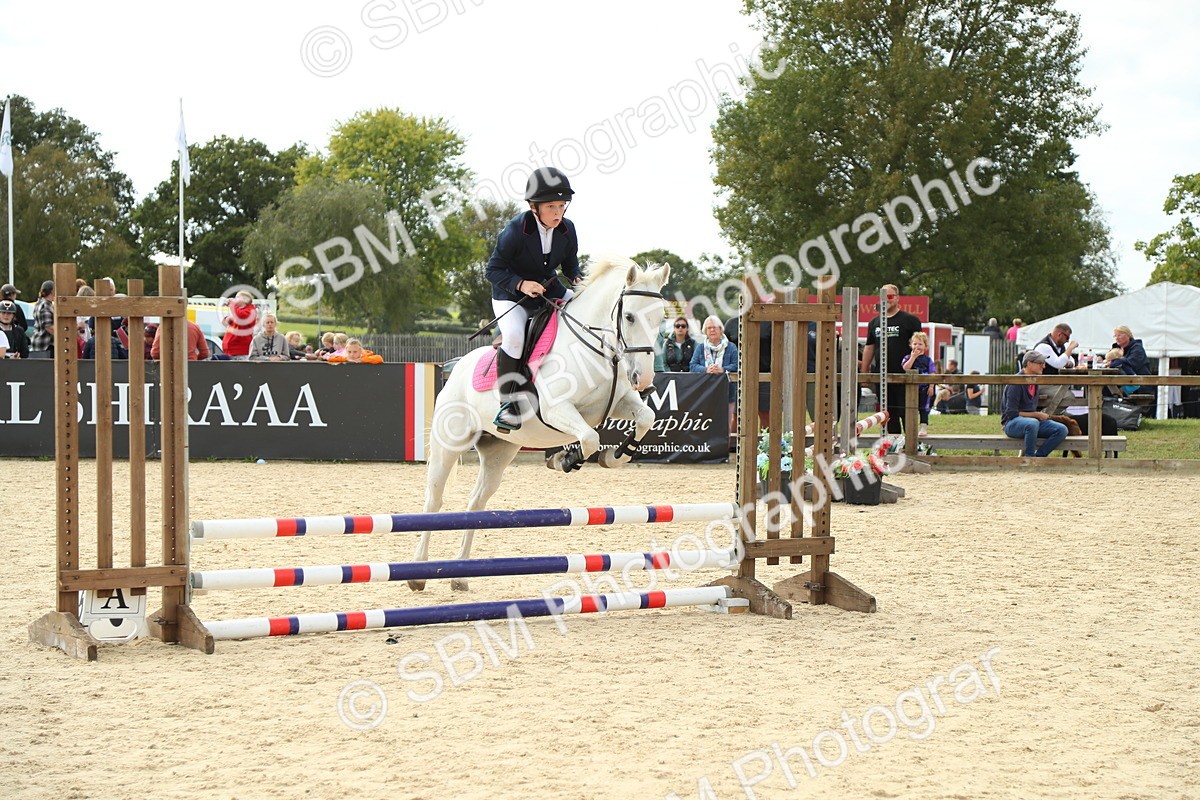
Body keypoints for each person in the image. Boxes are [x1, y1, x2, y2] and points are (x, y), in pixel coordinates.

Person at [484, 167, 582, 431]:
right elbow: (492, 270)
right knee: (515, 336)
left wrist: (579, 282)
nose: (557, 212)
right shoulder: (516, 230)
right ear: (533, 207)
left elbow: (571, 267)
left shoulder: (567, 229)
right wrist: (521, 284)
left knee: (582, 312)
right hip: (509, 295)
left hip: (548, 288)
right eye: (551, 206)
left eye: (562, 205)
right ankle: (508, 404)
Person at [860, 283, 923, 435]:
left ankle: (911, 445)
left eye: (889, 296)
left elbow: (920, 345)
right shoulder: (874, 323)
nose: (886, 300)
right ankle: (894, 446)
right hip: (882, 376)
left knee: (907, 411)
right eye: (883, 297)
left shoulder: (910, 320)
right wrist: (864, 372)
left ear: (897, 298)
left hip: (905, 375)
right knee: (888, 414)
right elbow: (869, 347)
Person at [1000, 350, 1068, 457]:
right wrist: (1037, 415)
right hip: (1011, 424)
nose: (1044, 366)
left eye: (1043, 363)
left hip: (1031, 423)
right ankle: (1029, 458)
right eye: (1040, 363)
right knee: (1032, 423)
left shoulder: (1034, 382)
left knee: (1062, 429)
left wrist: (1037, 416)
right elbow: (1011, 413)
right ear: (1029, 364)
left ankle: (1039, 457)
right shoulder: (1016, 383)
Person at [691, 314, 739, 432]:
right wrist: (706, 370)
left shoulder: (731, 347)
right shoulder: (700, 347)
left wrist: (723, 369)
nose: (712, 330)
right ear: (705, 331)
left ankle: (724, 449)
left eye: (715, 327)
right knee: (706, 423)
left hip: (727, 392)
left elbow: (737, 364)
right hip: (705, 392)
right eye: (709, 328)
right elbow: (693, 365)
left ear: (721, 329)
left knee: (725, 424)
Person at [1028, 322, 1078, 414]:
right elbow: (1058, 363)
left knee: (1066, 395)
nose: (1067, 341)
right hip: (1040, 384)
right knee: (1068, 397)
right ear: (1059, 334)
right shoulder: (1043, 346)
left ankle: (1048, 415)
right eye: (1067, 337)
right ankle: (1044, 415)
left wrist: (1070, 362)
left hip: (1051, 383)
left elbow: (1070, 359)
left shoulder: (1059, 347)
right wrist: (1070, 348)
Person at [900, 331, 936, 436]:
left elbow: (932, 373)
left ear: (925, 346)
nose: (917, 346)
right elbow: (905, 367)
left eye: (920, 344)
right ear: (911, 345)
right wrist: (913, 357)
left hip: (924, 388)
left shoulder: (928, 360)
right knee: (911, 408)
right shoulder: (908, 357)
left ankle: (923, 427)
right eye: (915, 344)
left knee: (924, 408)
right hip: (911, 389)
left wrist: (931, 386)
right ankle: (911, 428)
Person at [221, 291, 258, 360]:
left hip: (240, 352)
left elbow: (241, 316)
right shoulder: (238, 310)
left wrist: (232, 305)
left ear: (245, 300)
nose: (235, 299)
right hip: (230, 351)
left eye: (237, 297)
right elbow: (225, 323)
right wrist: (228, 319)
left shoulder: (250, 310)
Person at [29, 280, 55, 359]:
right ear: (52, 291)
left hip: (39, 343)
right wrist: (62, 335)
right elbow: (48, 326)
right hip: (45, 345)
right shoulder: (46, 305)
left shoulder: (39, 303)